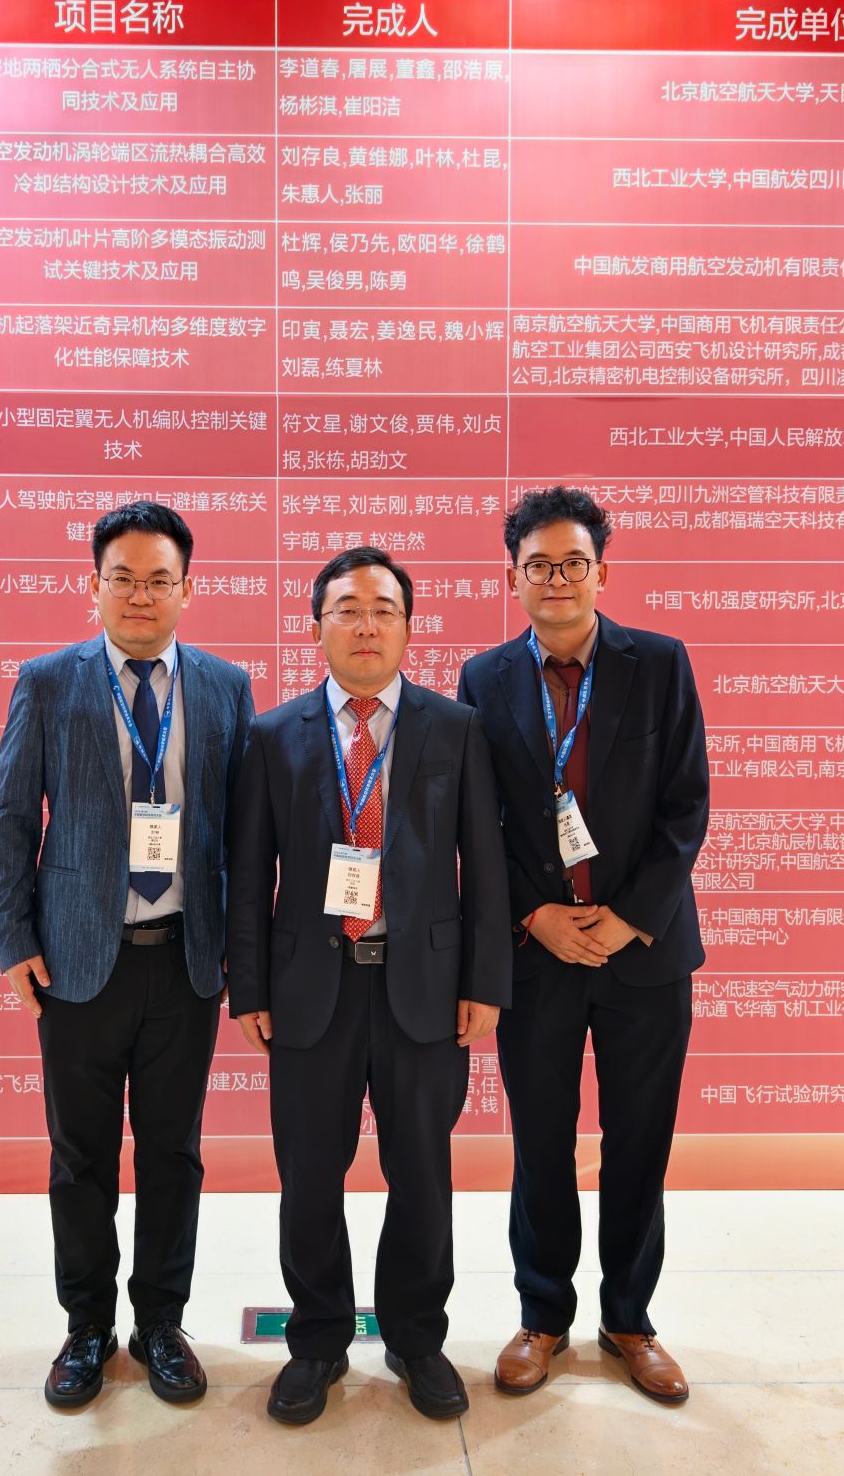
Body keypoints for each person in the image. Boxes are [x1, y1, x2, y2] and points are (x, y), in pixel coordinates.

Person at [227, 546, 511, 1426]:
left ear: (408, 627)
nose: (365, 625)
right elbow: (250, 872)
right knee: (310, 1175)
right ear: (316, 627)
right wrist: (249, 987)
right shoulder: (273, 735)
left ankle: (417, 1338)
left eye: (383, 610)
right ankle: (316, 1341)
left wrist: (485, 980)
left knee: (421, 1173)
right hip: (311, 991)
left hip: (423, 988)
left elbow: (485, 863)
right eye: (346, 610)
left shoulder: (454, 728)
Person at [0, 500, 255, 1408]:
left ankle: (162, 1324)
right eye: (123, 578)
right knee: (81, 1158)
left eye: (159, 580)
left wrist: (244, 952)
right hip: (76, 962)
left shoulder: (224, 687)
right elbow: (12, 817)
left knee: (174, 1153)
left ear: (187, 589)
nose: (141, 596)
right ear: (94, 586)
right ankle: (86, 1328)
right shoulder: (48, 682)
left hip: (186, 959)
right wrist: (15, 937)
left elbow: (244, 832)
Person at [455, 486, 710, 1404]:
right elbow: (476, 821)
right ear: (512, 578)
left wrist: (631, 916)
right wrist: (535, 914)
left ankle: (630, 1320)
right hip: (539, 954)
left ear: (603, 571)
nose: (556, 579)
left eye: (573, 563)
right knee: (541, 1141)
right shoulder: (484, 679)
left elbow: (687, 805)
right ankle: (543, 1315)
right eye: (538, 565)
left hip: (645, 950)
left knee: (640, 1139)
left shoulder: (660, 663)